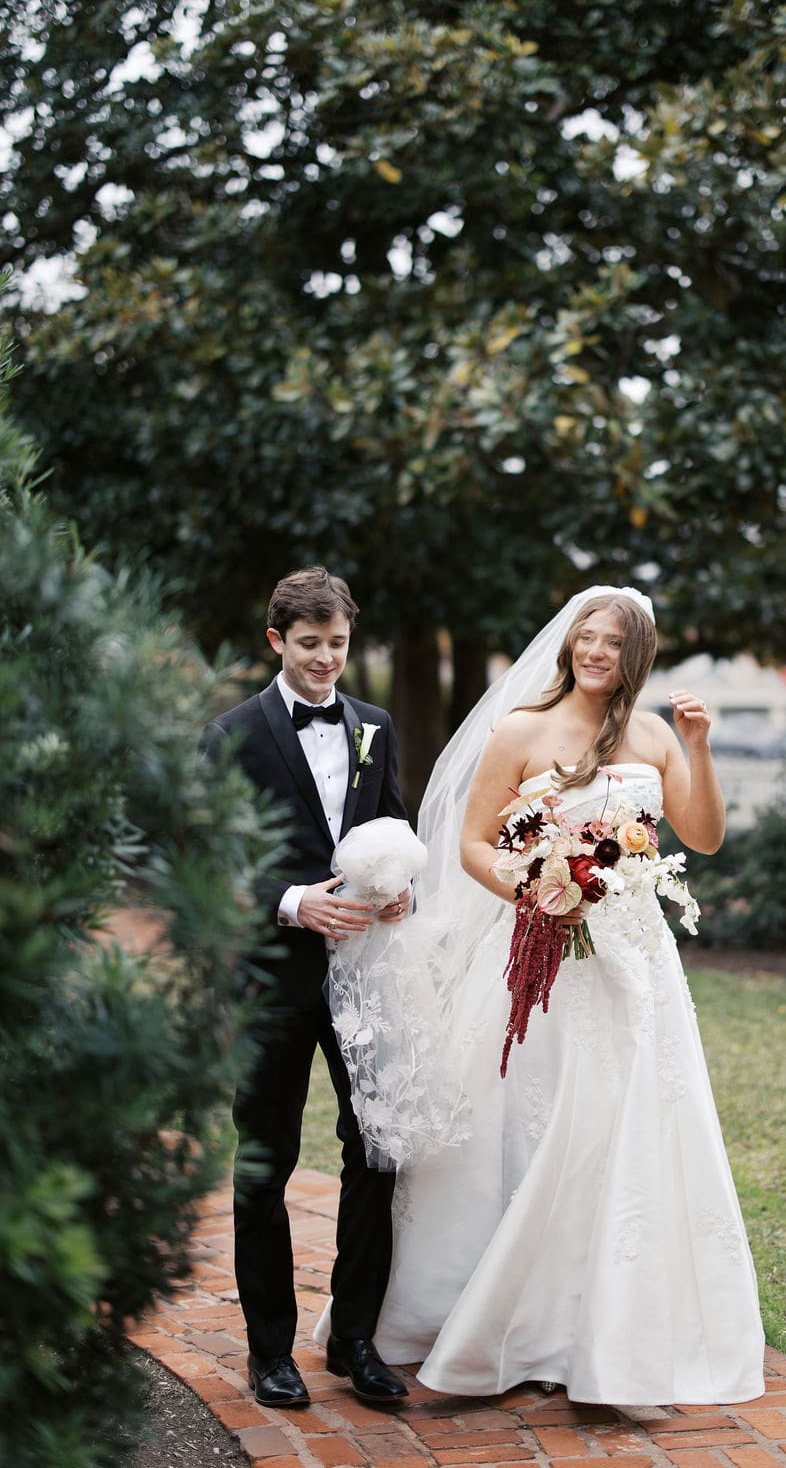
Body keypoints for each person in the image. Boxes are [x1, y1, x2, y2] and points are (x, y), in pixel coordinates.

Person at [365, 586, 765, 1405]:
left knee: (633, 1121)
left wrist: (699, 746)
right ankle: (516, 1320)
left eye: (613, 644)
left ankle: (611, 1329)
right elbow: (474, 843)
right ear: (568, 644)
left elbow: (705, 835)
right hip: (545, 957)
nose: (595, 652)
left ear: (636, 656)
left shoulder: (653, 734)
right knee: (542, 1122)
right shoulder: (521, 731)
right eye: (587, 638)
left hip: (638, 962)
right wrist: (537, 892)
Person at [202, 567, 412, 1409]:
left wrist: (404, 888)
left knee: (376, 1152)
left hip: (366, 979)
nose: (327, 660)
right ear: (277, 640)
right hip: (273, 980)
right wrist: (292, 903)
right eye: (311, 644)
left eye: (338, 645)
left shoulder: (376, 726)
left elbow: (396, 826)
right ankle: (269, 1352)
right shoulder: (231, 735)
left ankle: (355, 1338)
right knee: (267, 1162)